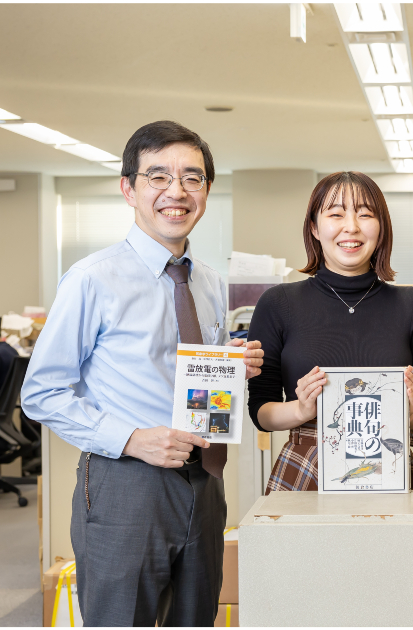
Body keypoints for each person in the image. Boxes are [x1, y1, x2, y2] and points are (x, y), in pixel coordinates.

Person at [21, 121, 264, 626]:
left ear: (207, 191)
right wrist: (132, 438)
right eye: (158, 176)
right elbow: (41, 392)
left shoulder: (212, 283)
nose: (176, 191)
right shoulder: (93, 279)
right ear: (129, 189)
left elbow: (200, 380)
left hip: (205, 481)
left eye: (192, 178)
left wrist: (233, 369)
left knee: (196, 619)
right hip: (125, 483)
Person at [246, 171, 413, 491]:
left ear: (381, 228)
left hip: (389, 464)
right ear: (314, 227)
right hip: (306, 464)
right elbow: (261, 411)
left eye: (365, 214)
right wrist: (301, 409)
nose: (351, 226)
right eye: (336, 214)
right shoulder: (278, 303)